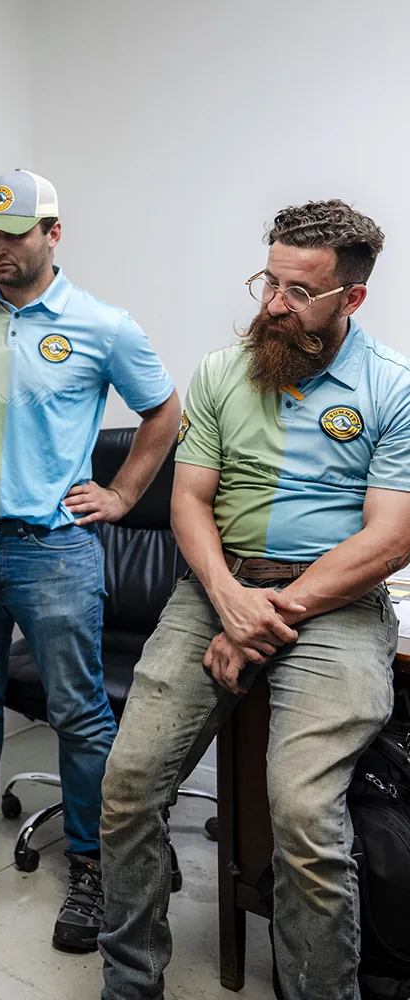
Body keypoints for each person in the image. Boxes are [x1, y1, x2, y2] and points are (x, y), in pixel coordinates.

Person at [99, 200, 410, 1000]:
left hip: (335, 604)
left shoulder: (393, 388)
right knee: (128, 784)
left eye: (298, 291)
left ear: (351, 298)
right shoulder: (218, 372)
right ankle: (130, 982)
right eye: (266, 282)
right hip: (218, 586)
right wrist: (231, 600)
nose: (273, 304)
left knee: (304, 817)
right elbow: (188, 504)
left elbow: (390, 540)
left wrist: (264, 617)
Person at [0, 169, 180, 950]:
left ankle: (91, 864)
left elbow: (163, 412)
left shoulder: (102, 324)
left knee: (80, 714)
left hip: (54, 551)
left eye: (12, 234)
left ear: (53, 235)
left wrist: (122, 496)